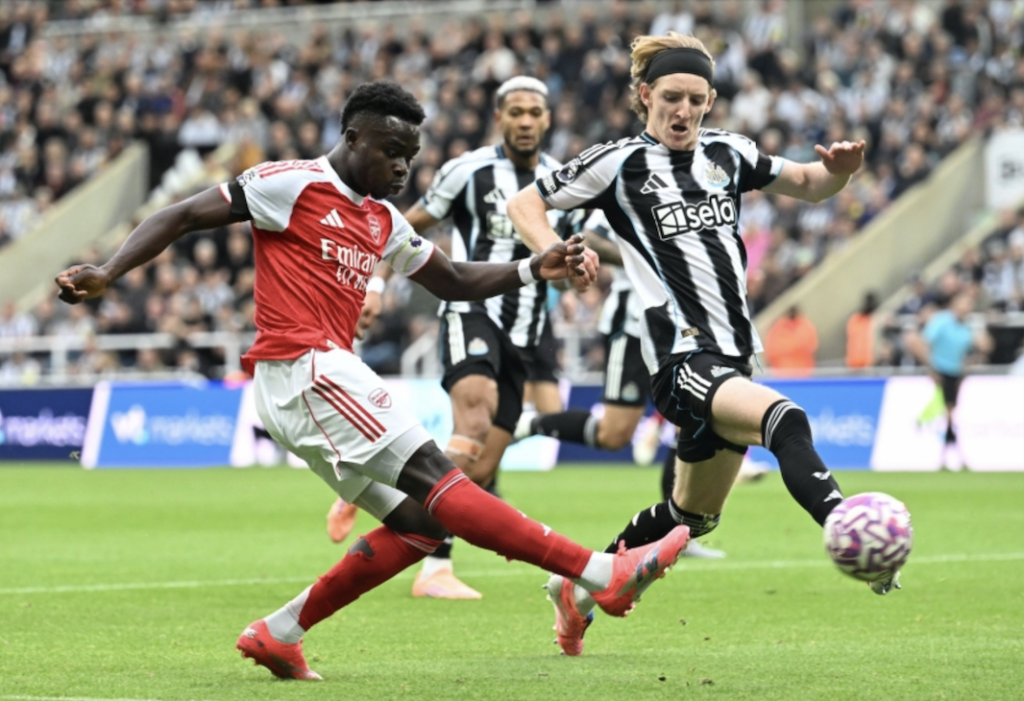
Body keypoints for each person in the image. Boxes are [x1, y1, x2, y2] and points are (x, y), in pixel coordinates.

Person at [54, 80, 692, 680]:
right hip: (303, 367)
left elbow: (451, 279)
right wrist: (109, 271)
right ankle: (598, 572)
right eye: (391, 151)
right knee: (438, 477)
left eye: (409, 156)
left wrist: (532, 267)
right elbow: (182, 215)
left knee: (422, 524)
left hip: (317, 378)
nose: (401, 167)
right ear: (353, 137)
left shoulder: (381, 219)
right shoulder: (291, 183)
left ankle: (280, 632)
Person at [507, 33, 896, 657]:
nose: (683, 110)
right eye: (670, 97)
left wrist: (840, 173)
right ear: (645, 95)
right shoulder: (618, 163)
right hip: (681, 355)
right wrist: (553, 249)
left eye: (695, 98)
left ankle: (576, 589)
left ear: (710, 101)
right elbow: (525, 201)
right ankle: (848, 526)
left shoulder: (728, 153)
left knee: (691, 518)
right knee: (786, 420)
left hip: (735, 356)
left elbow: (807, 181)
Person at [327, 76, 583, 599]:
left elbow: (570, 252)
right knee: (474, 419)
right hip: (472, 311)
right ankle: (433, 570)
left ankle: (386, 500)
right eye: (516, 112)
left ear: (548, 119)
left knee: (481, 467)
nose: (526, 121)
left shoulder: (562, 180)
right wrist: (374, 284)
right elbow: (402, 224)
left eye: (535, 112)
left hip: (526, 331)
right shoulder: (468, 170)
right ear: (499, 117)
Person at [514, 209, 726, 558]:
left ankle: (678, 533)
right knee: (613, 435)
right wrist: (646, 254)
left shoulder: (692, 197)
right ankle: (532, 423)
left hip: (682, 328)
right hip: (633, 326)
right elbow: (592, 237)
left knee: (690, 420)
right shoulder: (626, 190)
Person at [907, 290, 992, 469]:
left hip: (955, 373)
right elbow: (920, 342)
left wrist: (979, 354)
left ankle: (947, 457)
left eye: (969, 304)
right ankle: (954, 456)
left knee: (950, 415)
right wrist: (931, 368)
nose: (966, 307)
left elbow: (979, 350)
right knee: (949, 414)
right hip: (941, 371)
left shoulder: (968, 326)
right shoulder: (941, 321)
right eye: (963, 303)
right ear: (954, 304)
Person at [764, 305, 819, 377]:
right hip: (782, 374)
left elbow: (811, 345)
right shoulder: (777, 329)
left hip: (803, 373)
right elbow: (770, 351)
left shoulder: (805, 326)